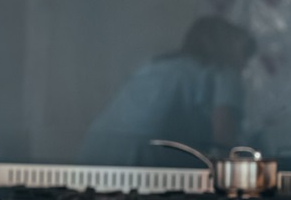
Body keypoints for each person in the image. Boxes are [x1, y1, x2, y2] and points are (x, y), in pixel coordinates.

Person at [78, 16, 255, 167]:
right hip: (146, 153)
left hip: (97, 144)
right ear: (231, 49)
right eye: (245, 55)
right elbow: (224, 138)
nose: (245, 65)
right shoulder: (223, 73)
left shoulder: (156, 65)